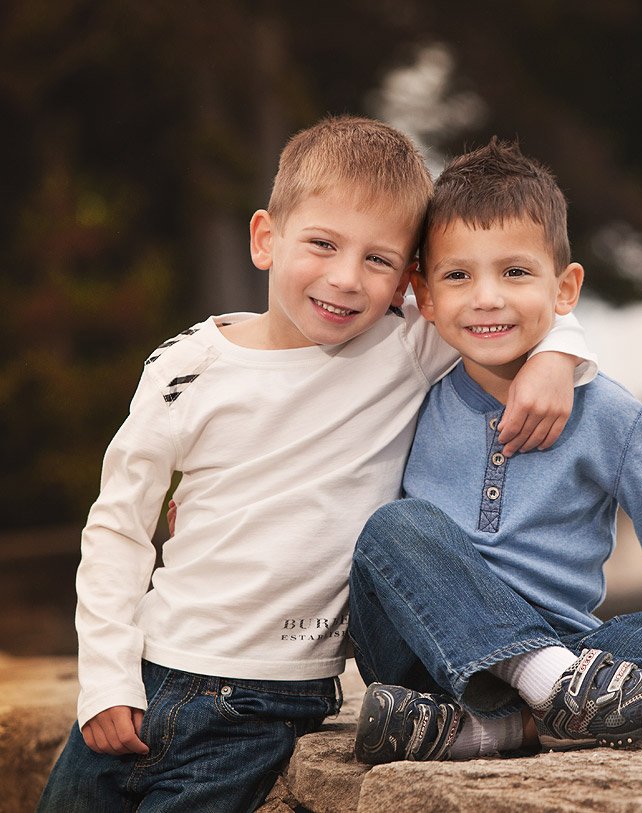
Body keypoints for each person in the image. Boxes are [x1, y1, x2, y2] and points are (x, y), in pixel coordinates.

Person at [38, 117, 596, 813]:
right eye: (323, 244)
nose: (345, 278)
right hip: (148, 671)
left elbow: (516, 307)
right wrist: (106, 678)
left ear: (408, 282)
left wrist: (555, 356)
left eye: (378, 259)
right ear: (266, 238)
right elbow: (118, 528)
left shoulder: (403, 350)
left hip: (264, 705)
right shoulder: (185, 368)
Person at [347, 138, 642, 764]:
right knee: (393, 528)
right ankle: (549, 689)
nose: (487, 297)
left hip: (565, 643)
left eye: (515, 272)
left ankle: (496, 729)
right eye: (458, 275)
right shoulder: (412, 386)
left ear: (565, 290)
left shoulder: (609, 415)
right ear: (424, 297)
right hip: (425, 651)